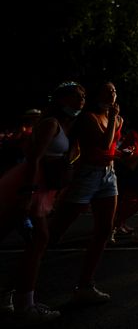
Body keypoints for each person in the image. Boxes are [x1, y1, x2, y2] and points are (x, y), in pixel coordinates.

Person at [0, 82, 84, 324]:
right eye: (76, 96)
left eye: (83, 96)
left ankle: (10, 296)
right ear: (61, 100)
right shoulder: (50, 124)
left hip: (41, 188)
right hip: (30, 185)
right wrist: (28, 192)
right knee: (40, 239)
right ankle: (24, 305)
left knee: (29, 238)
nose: (81, 100)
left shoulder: (66, 127)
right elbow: (34, 158)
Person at [49, 81, 122, 304]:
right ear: (97, 95)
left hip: (108, 175)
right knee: (57, 229)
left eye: (114, 91)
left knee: (104, 230)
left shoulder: (116, 118)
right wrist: (112, 121)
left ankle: (85, 285)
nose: (112, 94)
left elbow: (111, 147)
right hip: (87, 174)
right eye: (108, 91)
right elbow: (102, 143)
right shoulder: (89, 117)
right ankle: (17, 282)